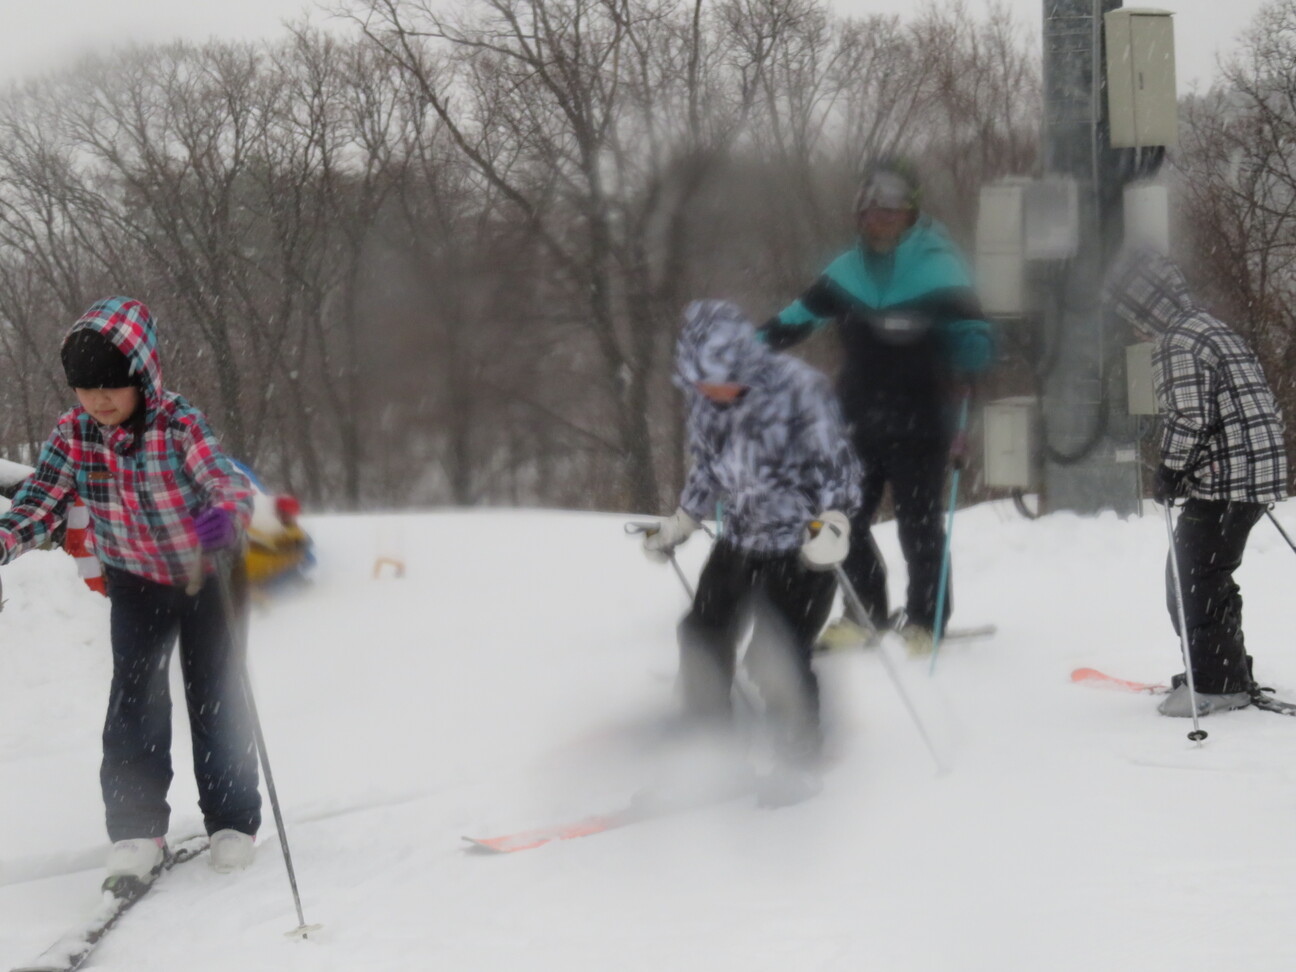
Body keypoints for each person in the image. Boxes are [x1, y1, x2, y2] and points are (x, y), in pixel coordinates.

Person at [0, 297, 262, 882]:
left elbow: (224, 481)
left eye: (112, 387)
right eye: (86, 389)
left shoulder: (178, 424)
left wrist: (221, 520)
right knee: (135, 702)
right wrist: (5, 538)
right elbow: (41, 499)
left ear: (143, 376)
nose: (99, 400)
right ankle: (137, 828)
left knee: (214, 697)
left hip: (208, 575)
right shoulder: (74, 434)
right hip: (136, 580)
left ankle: (231, 821)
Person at [757, 158, 994, 655]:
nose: (878, 218)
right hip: (857, 419)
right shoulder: (845, 274)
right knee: (840, 520)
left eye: (890, 209)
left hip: (922, 419)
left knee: (918, 524)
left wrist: (974, 343)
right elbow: (796, 319)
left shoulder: (940, 267)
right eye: (868, 210)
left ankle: (926, 619)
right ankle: (865, 612)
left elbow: (975, 333)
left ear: (910, 213)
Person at [642, 300, 862, 802]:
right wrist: (685, 519)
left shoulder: (799, 389)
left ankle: (798, 754)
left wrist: (834, 521)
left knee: (776, 653)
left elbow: (839, 467)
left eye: (722, 379)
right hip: (740, 538)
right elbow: (708, 469)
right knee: (701, 633)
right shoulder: (705, 404)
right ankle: (710, 749)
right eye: (703, 382)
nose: (714, 392)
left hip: (804, 543)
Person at [1104, 248, 1288, 717]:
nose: (1133, 326)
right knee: (1207, 574)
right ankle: (1223, 670)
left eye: (1132, 314)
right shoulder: (1211, 328)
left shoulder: (1178, 342)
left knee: (1192, 580)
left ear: (1146, 306)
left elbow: (1190, 416)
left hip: (1229, 480)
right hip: (1250, 473)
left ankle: (1218, 684)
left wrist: (1171, 469)